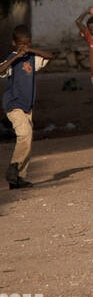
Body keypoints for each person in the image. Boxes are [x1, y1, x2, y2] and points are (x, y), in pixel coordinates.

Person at [1, 25, 53, 189]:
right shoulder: (11, 60)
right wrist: (16, 57)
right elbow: (1, 69)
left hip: (27, 105)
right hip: (13, 104)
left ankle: (18, 178)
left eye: (27, 44)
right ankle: (13, 168)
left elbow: (50, 56)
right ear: (14, 43)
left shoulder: (32, 58)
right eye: (21, 44)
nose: (24, 47)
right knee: (25, 133)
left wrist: (32, 50)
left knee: (27, 140)